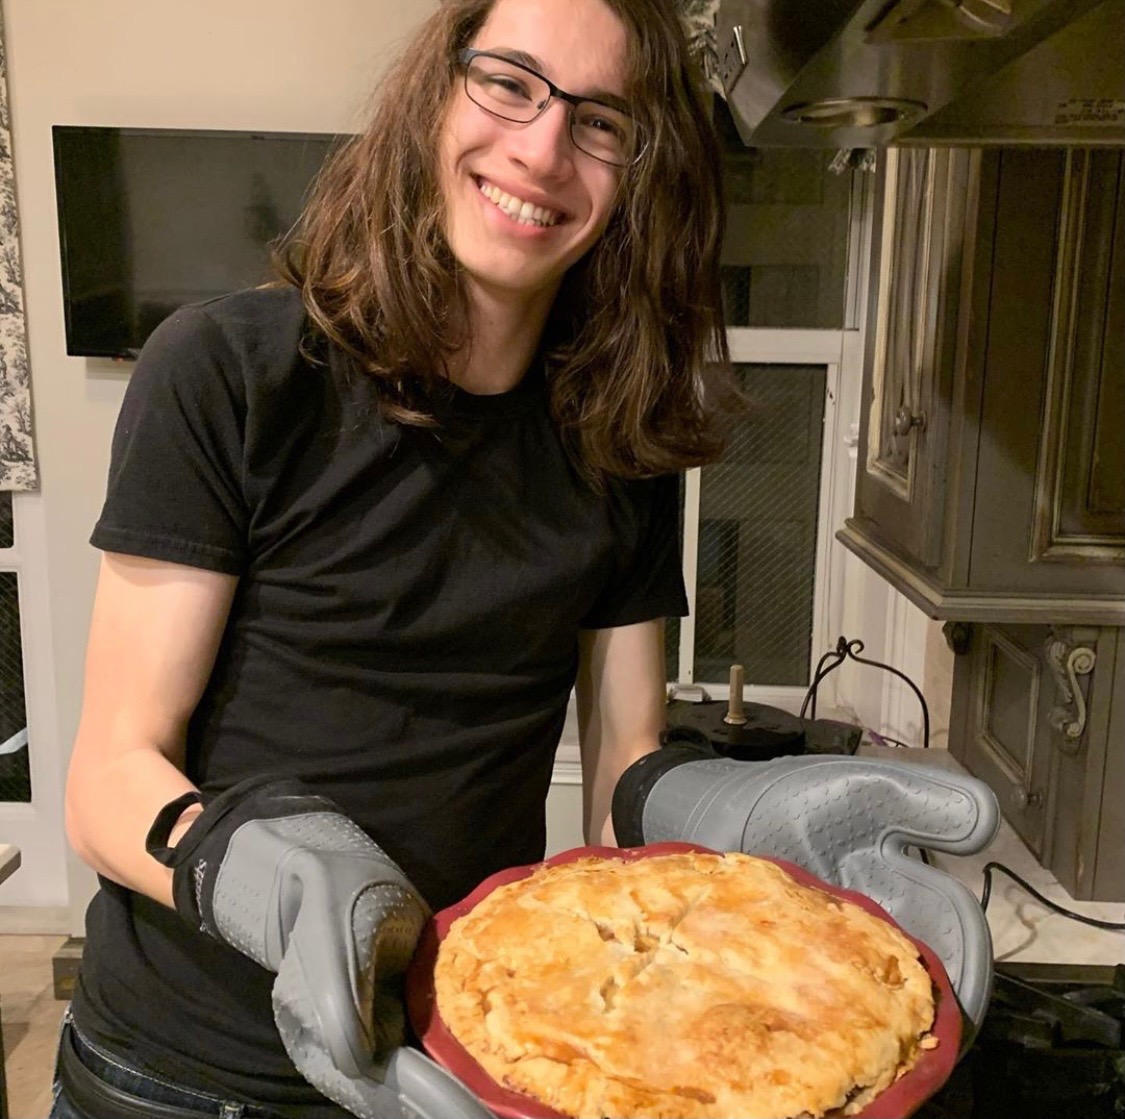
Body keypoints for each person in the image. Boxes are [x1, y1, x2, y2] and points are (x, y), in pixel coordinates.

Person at [53, 0, 731, 1116]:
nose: (541, 148)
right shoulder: (228, 373)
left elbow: (626, 765)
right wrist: (258, 874)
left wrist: (737, 856)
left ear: (641, 179)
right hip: (183, 1077)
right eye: (509, 82)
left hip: (453, 1066)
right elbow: (106, 778)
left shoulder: (622, 436)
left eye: (603, 121)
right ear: (435, 93)